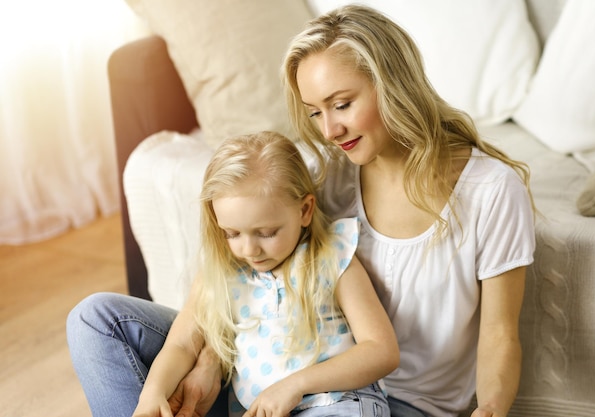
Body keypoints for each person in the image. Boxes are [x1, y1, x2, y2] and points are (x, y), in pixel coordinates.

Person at [67, 4, 535, 417]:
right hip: (273, 376)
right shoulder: (330, 174)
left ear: (393, 83)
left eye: (342, 104)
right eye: (315, 112)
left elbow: (499, 334)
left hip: (398, 402)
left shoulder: (491, 191)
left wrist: (491, 408)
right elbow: (248, 278)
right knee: (96, 319)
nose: (330, 129)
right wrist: (211, 361)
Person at [69, 131, 399, 417]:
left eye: (267, 232)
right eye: (232, 233)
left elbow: (381, 350)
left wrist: (296, 385)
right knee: (92, 317)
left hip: (337, 404)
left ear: (304, 210)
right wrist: (151, 394)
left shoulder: (331, 257)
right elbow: (182, 345)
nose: (249, 249)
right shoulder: (221, 273)